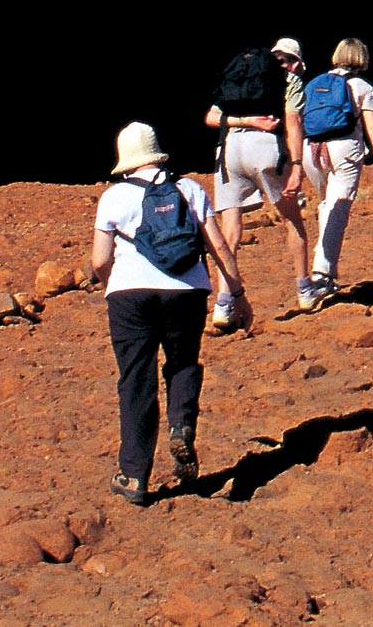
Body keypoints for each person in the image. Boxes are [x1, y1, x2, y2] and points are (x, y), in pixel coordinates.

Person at [92, 123, 241, 506]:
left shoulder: (114, 196)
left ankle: (134, 475)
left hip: (129, 295)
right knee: (183, 364)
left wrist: (114, 283)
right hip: (188, 291)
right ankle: (182, 424)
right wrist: (237, 293)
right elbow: (219, 246)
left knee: (136, 379)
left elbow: (99, 260)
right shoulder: (189, 189)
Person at [204, 41, 318, 326]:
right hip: (267, 148)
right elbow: (293, 122)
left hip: (228, 149)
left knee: (230, 231)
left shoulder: (241, 76)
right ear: (295, 63)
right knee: (292, 218)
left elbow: (211, 117)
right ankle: (305, 290)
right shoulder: (288, 81)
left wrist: (246, 120)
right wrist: (295, 166)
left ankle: (223, 303)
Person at [301, 38, 373, 304]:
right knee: (337, 208)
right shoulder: (362, 86)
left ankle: (323, 268)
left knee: (327, 204)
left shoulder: (316, 83)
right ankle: (321, 276)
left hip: (312, 148)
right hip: (345, 148)